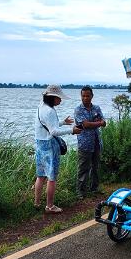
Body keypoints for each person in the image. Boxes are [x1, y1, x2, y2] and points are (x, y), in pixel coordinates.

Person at [34, 85, 82, 213]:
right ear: (52, 98)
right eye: (59, 98)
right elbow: (54, 131)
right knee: (52, 177)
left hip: (39, 145)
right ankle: (49, 206)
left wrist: (62, 122)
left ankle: (37, 203)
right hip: (50, 146)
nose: (60, 100)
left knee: (40, 176)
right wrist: (72, 130)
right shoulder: (50, 111)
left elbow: (48, 125)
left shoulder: (41, 107)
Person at [75, 86, 106, 199]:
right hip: (85, 142)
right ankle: (81, 192)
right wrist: (98, 123)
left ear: (92, 96)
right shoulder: (78, 109)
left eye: (88, 95)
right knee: (83, 168)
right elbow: (85, 125)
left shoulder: (96, 108)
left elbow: (104, 122)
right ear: (81, 96)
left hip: (97, 141)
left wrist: (94, 123)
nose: (85, 98)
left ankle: (94, 188)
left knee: (96, 166)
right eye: (83, 96)